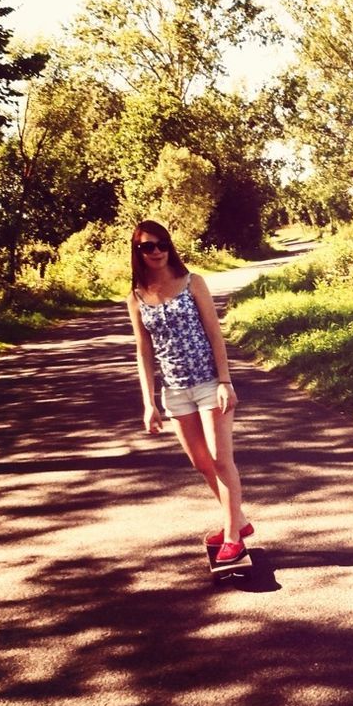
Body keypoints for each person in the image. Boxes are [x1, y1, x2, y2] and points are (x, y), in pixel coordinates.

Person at [126, 220, 253, 564]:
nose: (156, 251)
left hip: (210, 383)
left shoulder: (192, 282)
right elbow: (143, 353)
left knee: (220, 459)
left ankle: (232, 536)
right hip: (175, 390)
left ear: (170, 246)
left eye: (161, 244)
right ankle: (238, 520)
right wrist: (148, 403)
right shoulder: (136, 298)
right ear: (137, 252)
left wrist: (226, 381)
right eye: (147, 247)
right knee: (201, 464)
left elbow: (214, 334)